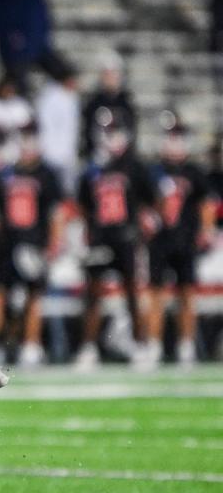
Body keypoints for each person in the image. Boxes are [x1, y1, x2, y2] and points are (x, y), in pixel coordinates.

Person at [75, 117, 156, 370]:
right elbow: (83, 206)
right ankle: (88, 347)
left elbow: (150, 201)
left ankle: (141, 345)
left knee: (132, 291)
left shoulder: (134, 166)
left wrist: (144, 227)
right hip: (101, 237)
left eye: (116, 130)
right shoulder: (92, 168)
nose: (112, 137)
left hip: (126, 237)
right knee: (94, 294)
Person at [0, 123, 64, 368]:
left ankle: (30, 346)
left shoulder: (47, 174)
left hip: (33, 243)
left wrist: (53, 243)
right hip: (7, 242)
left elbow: (55, 212)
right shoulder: (5, 173)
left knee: (33, 296)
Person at [144, 114, 216, 367]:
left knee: (187, 293)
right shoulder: (153, 171)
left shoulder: (193, 172)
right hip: (160, 241)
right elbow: (143, 204)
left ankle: (186, 345)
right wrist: (148, 217)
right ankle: (153, 345)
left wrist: (205, 231)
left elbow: (207, 203)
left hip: (185, 239)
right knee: (155, 294)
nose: (174, 143)